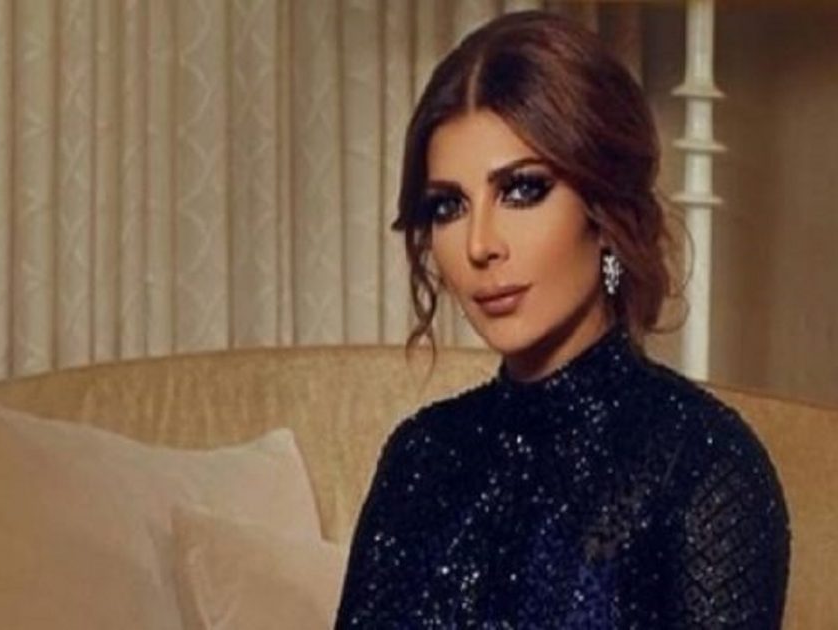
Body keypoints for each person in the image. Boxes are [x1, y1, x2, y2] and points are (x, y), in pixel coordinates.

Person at [336, 10, 789, 628]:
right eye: (448, 205)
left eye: (522, 190)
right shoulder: (420, 459)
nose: (480, 244)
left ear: (604, 212)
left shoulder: (704, 469)